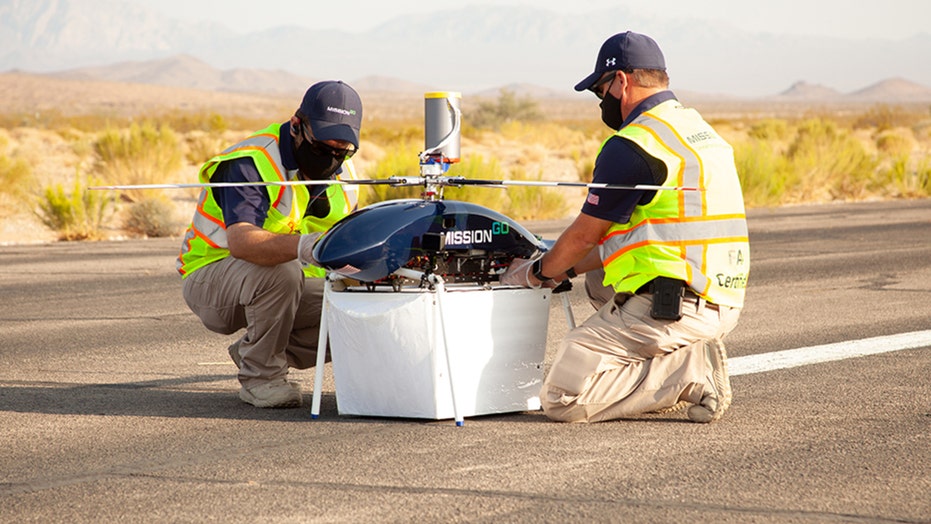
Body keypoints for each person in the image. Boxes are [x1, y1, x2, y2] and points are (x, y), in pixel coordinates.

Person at [502, 32, 750, 423]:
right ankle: (664, 352)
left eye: (601, 91)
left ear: (621, 81)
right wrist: (561, 268)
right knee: (600, 280)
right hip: (720, 297)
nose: (603, 102)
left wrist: (533, 274)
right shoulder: (695, 128)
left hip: (675, 307)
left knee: (562, 397)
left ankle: (691, 369)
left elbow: (586, 234)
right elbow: (634, 237)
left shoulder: (634, 145)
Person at [177, 80, 363, 408]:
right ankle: (260, 379)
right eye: (322, 149)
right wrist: (307, 245)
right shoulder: (252, 162)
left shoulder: (344, 179)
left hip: (282, 283)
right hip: (211, 277)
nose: (332, 159)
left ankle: (257, 350)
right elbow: (243, 243)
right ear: (296, 126)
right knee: (282, 272)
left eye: (341, 152)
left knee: (361, 305)